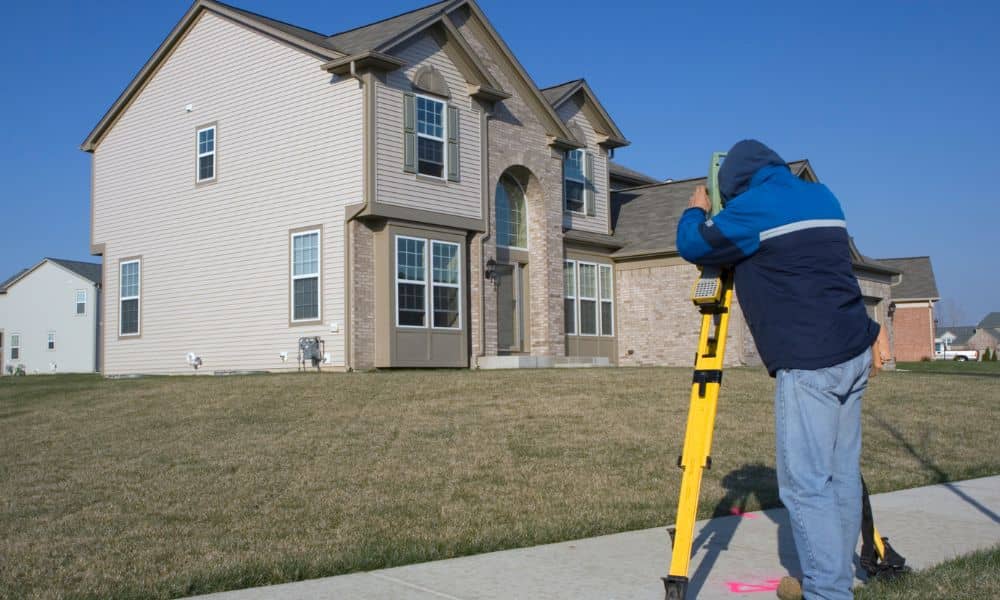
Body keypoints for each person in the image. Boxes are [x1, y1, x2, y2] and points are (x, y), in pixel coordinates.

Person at [675, 140, 881, 600]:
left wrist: (696, 210)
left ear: (734, 186)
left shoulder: (753, 209)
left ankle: (827, 592)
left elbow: (694, 244)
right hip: (853, 352)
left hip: (811, 364)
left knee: (806, 486)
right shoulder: (822, 195)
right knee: (841, 475)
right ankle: (833, 576)